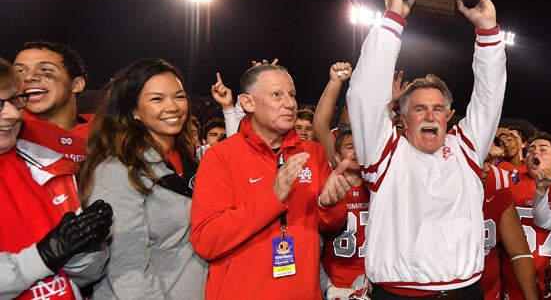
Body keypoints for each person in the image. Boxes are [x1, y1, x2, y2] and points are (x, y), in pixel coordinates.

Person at [346, 0, 507, 298]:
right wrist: (393, 20)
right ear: (402, 119)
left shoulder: (466, 148)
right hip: (401, 293)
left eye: (437, 109)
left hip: (466, 290)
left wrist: (488, 30)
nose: (430, 116)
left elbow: (489, 99)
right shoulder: (384, 154)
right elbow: (364, 95)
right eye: (419, 109)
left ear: (449, 116)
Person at [190, 62, 353, 299]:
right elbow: (207, 241)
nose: (290, 103)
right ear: (248, 103)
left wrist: (330, 206)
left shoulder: (312, 153)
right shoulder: (220, 157)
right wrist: (272, 197)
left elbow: (331, 227)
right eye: (277, 95)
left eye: (292, 94)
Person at [77, 58, 208, 298]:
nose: (173, 107)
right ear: (133, 110)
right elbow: (127, 269)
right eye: (157, 99)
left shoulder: (190, 160)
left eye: (179, 96)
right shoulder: (117, 170)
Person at [0, 56, 113, 300]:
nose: (13, 114)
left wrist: (86, 247)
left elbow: (80, 277)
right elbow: (44, 258)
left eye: (14, 101)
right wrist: (44, 256)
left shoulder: (33, 167)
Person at [500, 131, 551, 299]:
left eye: (543, 149)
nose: (535, 152)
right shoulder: (507, 181)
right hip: (516, 286)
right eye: (531, 149)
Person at [314, 61, 371, 298]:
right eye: (350, 147)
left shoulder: (378, 181)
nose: (356, 151)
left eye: (361, 146)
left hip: (374, 282)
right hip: (335, 285)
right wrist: (335, 82)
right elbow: (320, 125)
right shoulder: (330, 181)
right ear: (336, 155)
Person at [13, 40, 91, 165]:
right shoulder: (9, 130)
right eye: (20, 71)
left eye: (45, 70)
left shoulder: (107, 133)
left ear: (76, 85)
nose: (28, 77)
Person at [480, 141, 540, 300]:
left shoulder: (499, 181)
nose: (487, 169)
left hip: (490, 292)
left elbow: (520, 254)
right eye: (480, 161)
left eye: (487, 161)